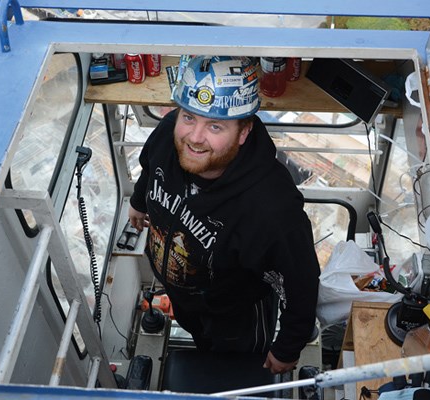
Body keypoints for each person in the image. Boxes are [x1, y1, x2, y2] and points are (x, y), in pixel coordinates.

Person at [129, 56, 320, 374]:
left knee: (236, 372)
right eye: (189, 117)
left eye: (215, 126)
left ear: (244, 131)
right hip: (185, 298)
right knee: (202, 347)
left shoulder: (272, 208)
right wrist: (139, 202)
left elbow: (300, 281)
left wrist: (288, 346)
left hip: (238, 316)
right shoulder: (168, 133)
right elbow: (150, 167)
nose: (194, 137)